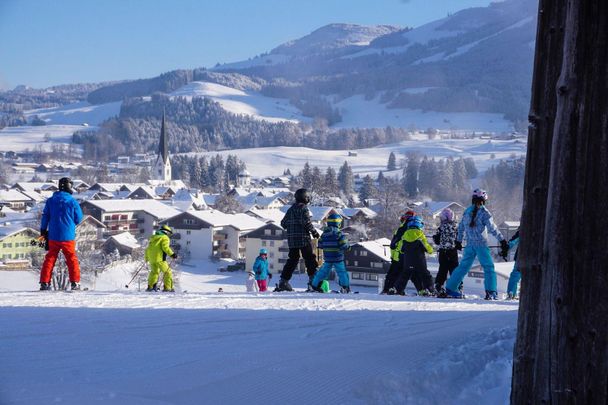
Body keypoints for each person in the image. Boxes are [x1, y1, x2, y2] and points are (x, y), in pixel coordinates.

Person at [444, 189, 509, 300]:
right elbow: (492, 228)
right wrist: (502, 240)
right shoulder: (484, 212)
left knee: (463, 267)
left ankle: (450, 289)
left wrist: (458, 241)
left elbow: (460, 228)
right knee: (488, 267)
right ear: (484, 200)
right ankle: (491, 292)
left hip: (470, 245)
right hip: (481, 245)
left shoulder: (466, 211)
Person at [39, 177, 84, 291]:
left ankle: (44, 283)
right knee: (71, 258)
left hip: (53, 236)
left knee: (50, 258)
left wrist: (43, 231)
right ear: (69, 186)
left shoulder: (50, 201)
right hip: (68, 236)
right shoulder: (73, 202)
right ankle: (75, 283)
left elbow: (45, 216)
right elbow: (78, 219)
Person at [276, 188, 320, 292]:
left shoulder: (290, 209)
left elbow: (283, 223)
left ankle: (283, 282)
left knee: (292, 260)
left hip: (292, 241)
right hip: (303, 239)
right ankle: (313, 281)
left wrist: (292, 225)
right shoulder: (304, 208)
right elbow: (306, 222)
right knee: (309, 259)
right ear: (305, 198)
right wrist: (314, 232)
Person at [381, 210, 423, 295]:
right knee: (413, 274)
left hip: (399, 255)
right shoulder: (415, 228)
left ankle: (389, 290)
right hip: (409, 255)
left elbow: (394, 243)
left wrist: (394, 253)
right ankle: (421, 290)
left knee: (394, 274)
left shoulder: (403, 227)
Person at [309, 212, 351, 293]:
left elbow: (320, 245)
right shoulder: (339, 234)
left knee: (323, 271)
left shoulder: (324, 234)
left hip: (328, 258)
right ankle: (345, 287)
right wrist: (348, 247)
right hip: (338, 257)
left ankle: (314, 285)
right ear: (338, 223)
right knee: (341, 272)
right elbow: (344, 245)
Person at [394, 215, 436, 296]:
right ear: (419, 225)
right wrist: (431, 250)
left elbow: (401, 249)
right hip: (419, 261)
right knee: (425, 274)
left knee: (405, 275)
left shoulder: (405, 235)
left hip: (408, 261)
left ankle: (398, 289)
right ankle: (430, 289)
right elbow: (428, 248)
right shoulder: (420, 234)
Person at [432, 208, 462, 295]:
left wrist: (435, 238)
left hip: (443, 252)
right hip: (453, 251)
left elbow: (437, 241)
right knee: (455, 270)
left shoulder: (441, 228)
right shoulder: (455, 227)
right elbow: (458, 239)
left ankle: (439, 286)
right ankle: (458, 287)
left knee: (443, 270)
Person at [145, 224, 178, 292]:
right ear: (166, 232)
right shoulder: (164, 238)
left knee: (154, 272)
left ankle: (151, 287)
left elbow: (148, 249)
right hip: (160, 259)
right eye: (169, 233)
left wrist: (146, 258)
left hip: (151, 259)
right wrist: (172, 254)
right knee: (167, 272)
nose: (169, 235)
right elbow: (165, 247)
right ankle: (168, 288)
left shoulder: (153, 237)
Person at [506, 228, 520, 299]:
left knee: (515, 275)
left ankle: (511, 293)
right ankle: (511, 293)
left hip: (521, 256)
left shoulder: (524, 228)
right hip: (522, 256)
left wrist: (507, 247)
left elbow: (514, 240)